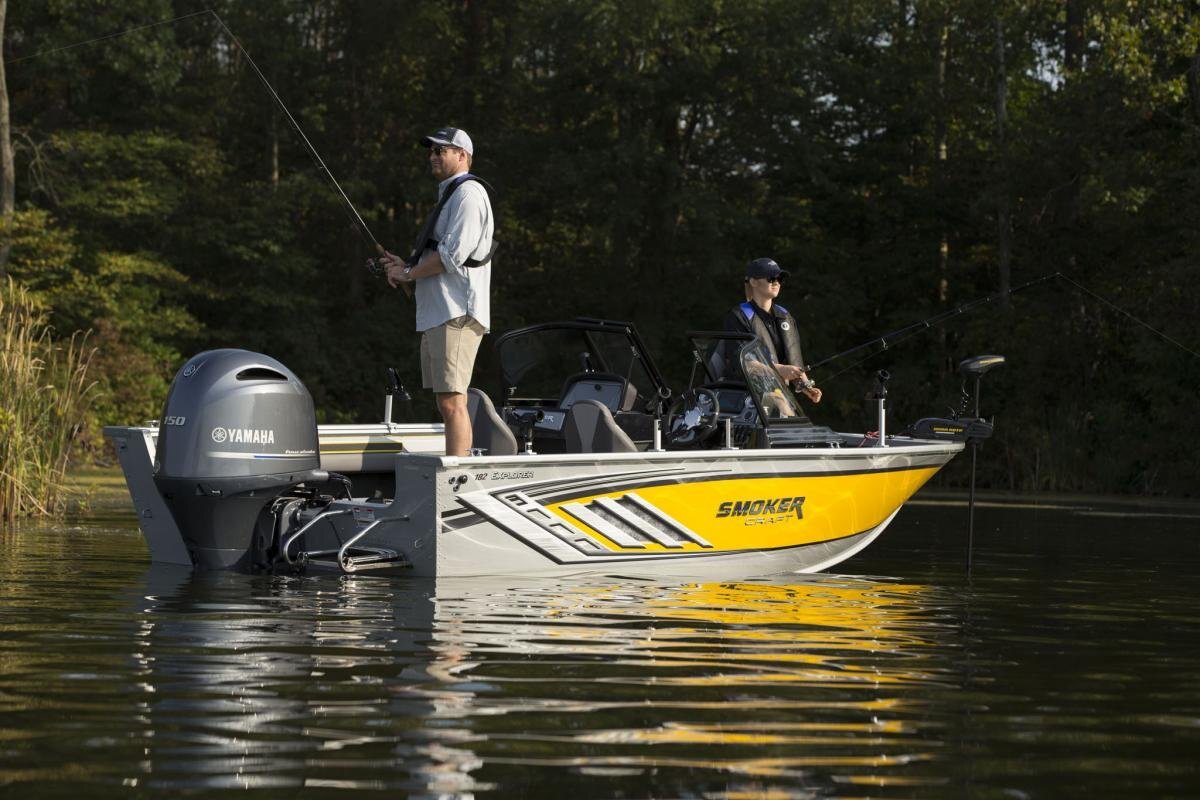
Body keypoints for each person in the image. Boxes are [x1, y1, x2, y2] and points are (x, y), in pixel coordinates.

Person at [381, 127, 495, 456]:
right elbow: (438, 253)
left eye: (440, 150)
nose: (432, 156)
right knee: (446, 401)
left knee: (452, 402)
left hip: (456, 312)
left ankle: (457, 476)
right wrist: (407, 265)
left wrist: (407, 273)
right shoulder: (450, 195)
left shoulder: (468, 194)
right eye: (430, 151)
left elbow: (451, 256)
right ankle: (455, 468)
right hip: (439, 312)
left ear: (462, 155)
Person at [723, 257, 822, 404]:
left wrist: (807, 387)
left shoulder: (786, 316)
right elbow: (741, 361)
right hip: (747, 396)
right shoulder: (738, 316)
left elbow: (793, 361)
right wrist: (779, 370)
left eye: (780, 278)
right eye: (771, 278)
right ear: (753, 282)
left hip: (778, 394)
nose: (776, 282)